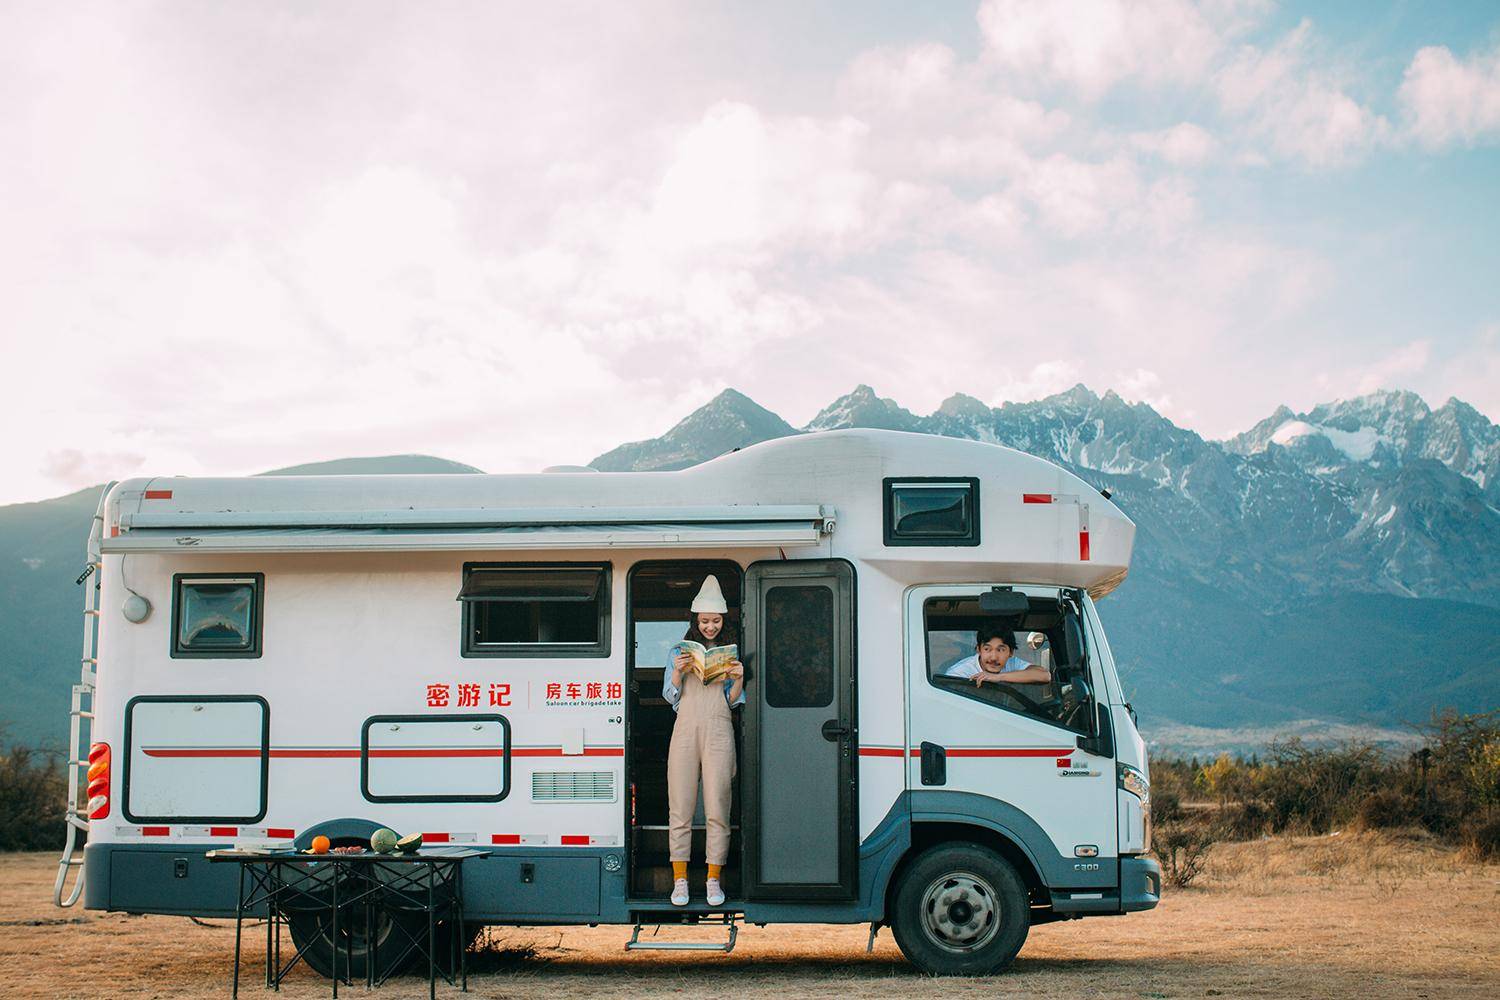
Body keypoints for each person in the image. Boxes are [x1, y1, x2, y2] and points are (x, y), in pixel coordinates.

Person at [662, 575, 745, 907]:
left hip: (719, 729)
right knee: (680, 808)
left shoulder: (731, 653)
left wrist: (738, 679)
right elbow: (671, 697)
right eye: (705, 622)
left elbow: (735, 701)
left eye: (715, 621)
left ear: (723, 621)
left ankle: (713, 879)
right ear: (695, 622)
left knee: (717, 807)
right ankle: (679, 880)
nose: (710, 627)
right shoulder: (678, 651)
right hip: (684, 729)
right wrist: (678, 672)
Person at [944, 624, 1051, 687]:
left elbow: (1044, 675)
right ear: (978, 650)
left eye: (1000, 650)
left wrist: (999, 677)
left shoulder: (1012, 662)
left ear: (1011, 653)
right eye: (987, 649)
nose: (994, 657)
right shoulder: (959, 673)